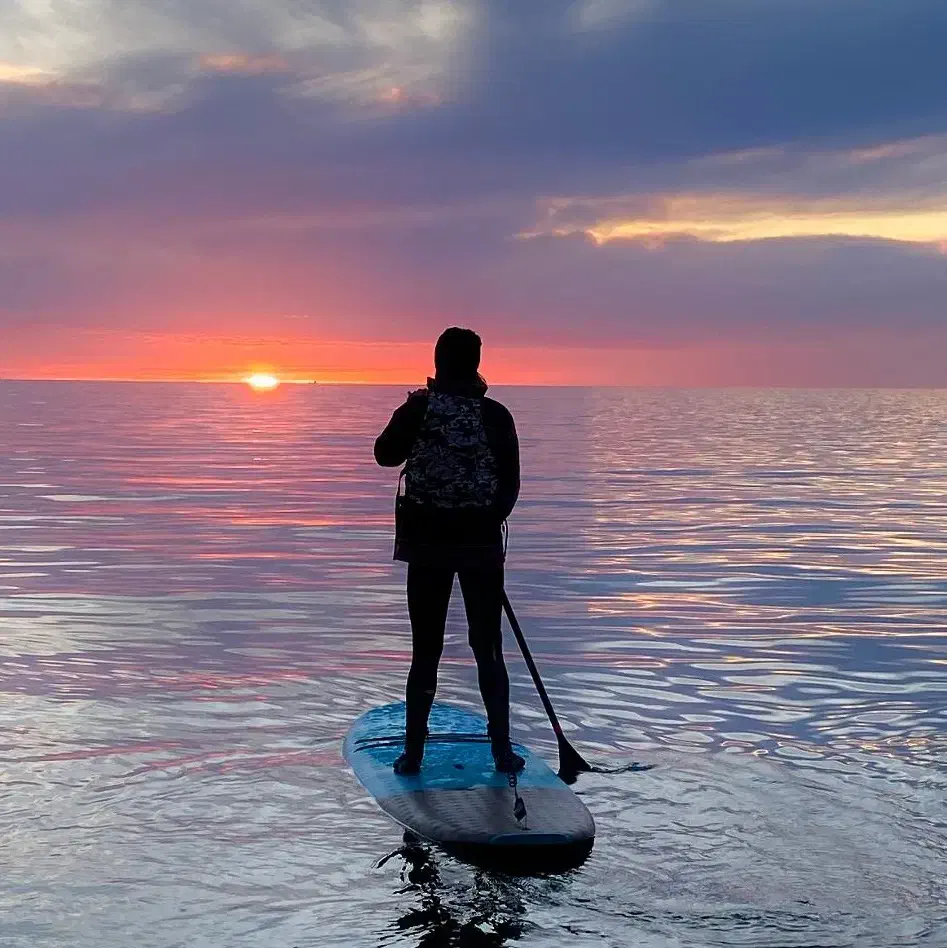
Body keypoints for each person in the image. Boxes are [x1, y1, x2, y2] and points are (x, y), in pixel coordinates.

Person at [374, 327, 525, 775]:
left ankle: (412, 755)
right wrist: (484, 523)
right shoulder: (496, 415)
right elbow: (510, 485)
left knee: (426, 652)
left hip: (426, 546)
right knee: (489, 648)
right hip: (479, 546)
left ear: (438, 362)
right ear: (477, 363)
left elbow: (384, 455)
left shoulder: (418, 409)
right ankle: (501, 753)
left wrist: (414, 406)